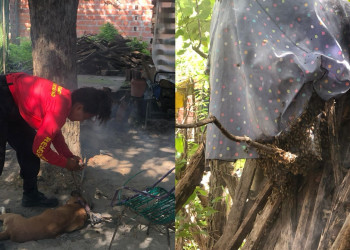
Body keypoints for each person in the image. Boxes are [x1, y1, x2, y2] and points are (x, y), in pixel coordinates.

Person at [0, 72, 112, 207]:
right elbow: (40, 150)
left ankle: (30, 196)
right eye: (86, 117)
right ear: (79, 107)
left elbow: (53, 133)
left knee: (28, 147)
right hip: (4, 94)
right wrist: (66, 163)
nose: (82, 121)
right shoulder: (59, 108)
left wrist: (68, 156)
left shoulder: (64, 99)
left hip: (12, 102)